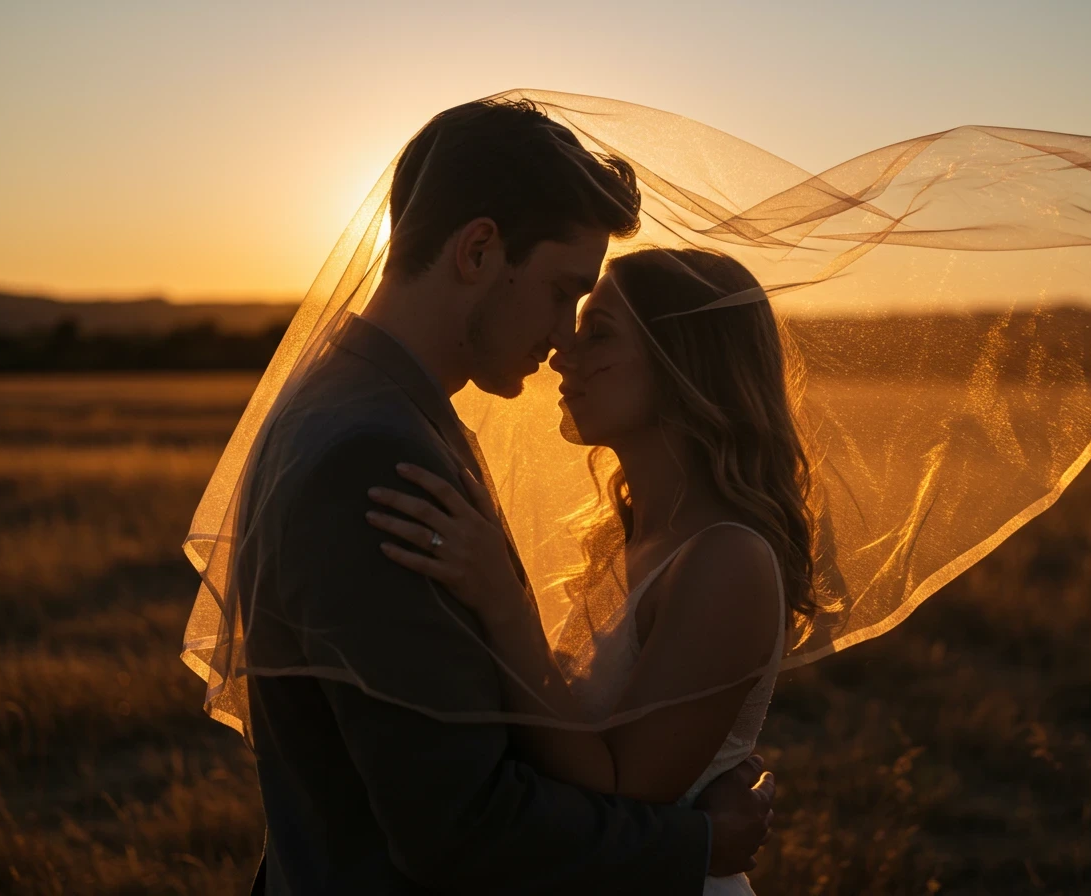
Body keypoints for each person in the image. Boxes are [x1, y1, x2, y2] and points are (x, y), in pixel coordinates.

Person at [234, 100, 775, 894]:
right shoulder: (375, 453)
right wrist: (692, 841)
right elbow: (458, 828)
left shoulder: (365, 409)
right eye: (563, 293)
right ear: (479, 251)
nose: (564, 339)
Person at [366, 247, 845, 895]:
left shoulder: (726, 558)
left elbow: (625, 790)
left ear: (683, 361)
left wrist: (501, 602)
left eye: (600, 332)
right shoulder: (630, 534)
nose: (563, 351)